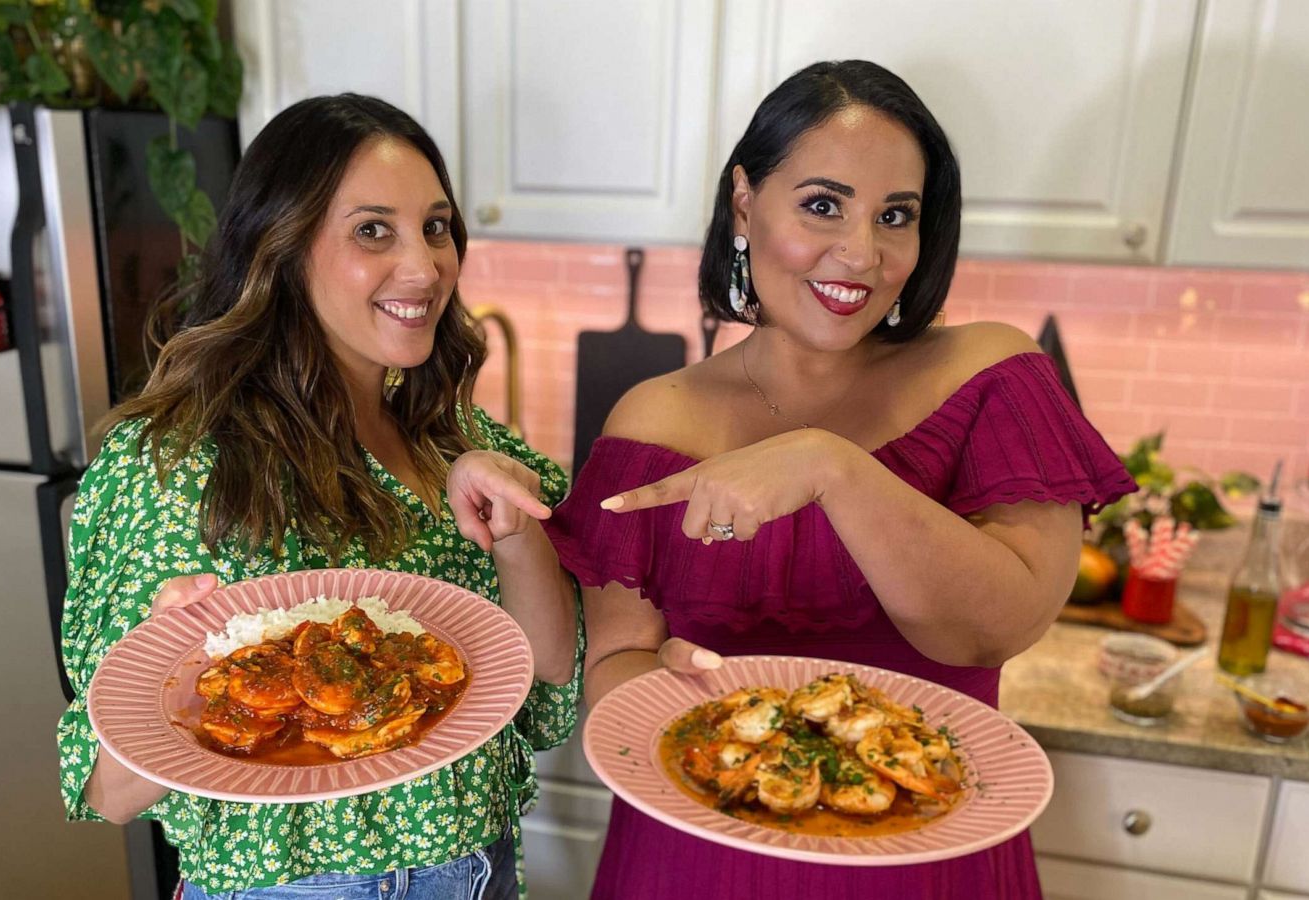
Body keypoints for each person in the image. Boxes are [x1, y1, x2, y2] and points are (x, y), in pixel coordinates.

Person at [545, 60, 1135, 898]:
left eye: (896, 215)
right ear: (746, 204)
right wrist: (670, 699)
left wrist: (832, 468)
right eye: (823, 205)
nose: (863, 253)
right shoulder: (654, 419)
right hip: (698, 857)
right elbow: (612, 668)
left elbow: (992, 630)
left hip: (925, 857)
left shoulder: (993, 373)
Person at [57, 93, 582, 900]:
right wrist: (173, 672)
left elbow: (544, 674)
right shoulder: (182, 464)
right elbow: (106, 793)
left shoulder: (454, 439)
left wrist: (514, 531)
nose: (424, 267)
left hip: (477, 871)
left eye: (435, 227)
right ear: (283, 247)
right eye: (374, 230)